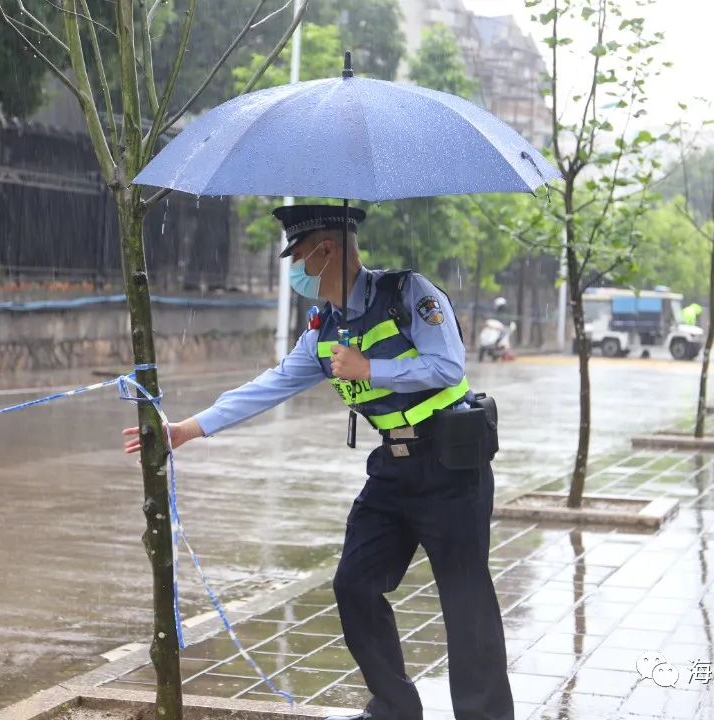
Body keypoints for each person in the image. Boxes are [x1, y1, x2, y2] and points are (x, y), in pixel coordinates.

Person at [123, 204, 514, 720]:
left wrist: (369, 368)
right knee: (354, 584)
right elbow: (270, 385)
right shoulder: (324, 329)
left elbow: (447, 365)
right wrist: (186, 430)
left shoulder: (409, 294)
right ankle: (394, 710)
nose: (297, 269)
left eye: (301, 255)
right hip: (393, 468)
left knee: (466, 601)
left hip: (450, 463)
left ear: (328, 250)